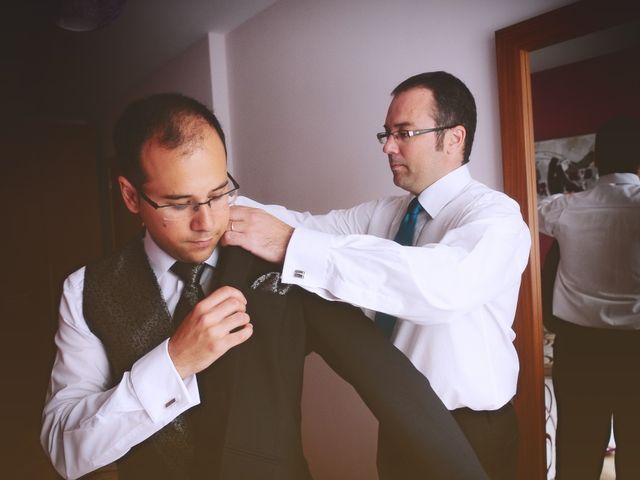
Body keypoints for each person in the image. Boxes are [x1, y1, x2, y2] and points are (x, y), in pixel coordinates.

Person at [40, 93, 488, 480]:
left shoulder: (284, 265)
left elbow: (390, 382)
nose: (207, 221)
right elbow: (65, 450)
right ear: (131, 196)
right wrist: (173, 362)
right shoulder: (84, 291)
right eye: (178, 204)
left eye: (219, 193)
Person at [224, 71, 532, 479]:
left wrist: (291, 245)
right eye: (386, 134)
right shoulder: (386, 213)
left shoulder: (496, 217)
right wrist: (215, 199)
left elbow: (440, 287)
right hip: (400, 423)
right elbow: (304, 226)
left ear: (454, 138)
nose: (388, 146)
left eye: (404, 132)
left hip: (470, 430)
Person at [537, 115, 640, 479]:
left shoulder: (566, 208)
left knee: (577, 453)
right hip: (636, 350)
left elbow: (531, 214)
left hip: (580, 350)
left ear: (596, 161)